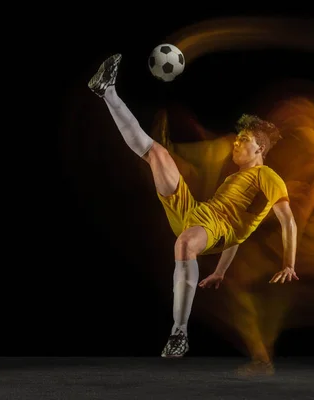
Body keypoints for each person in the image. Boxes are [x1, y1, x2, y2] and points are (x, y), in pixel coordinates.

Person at [87, 54, 298, 361]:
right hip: (195, 213)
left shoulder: (268, 177)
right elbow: (239, 234)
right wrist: (221, 272)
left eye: (243, 139)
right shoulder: (237, 178)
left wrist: (289, 263)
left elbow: (286, 221)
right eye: (237, 139)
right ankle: (107, 92)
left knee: (184, 243)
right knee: (156, 153)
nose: (236, 143)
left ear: (260, 148)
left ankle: (179, 333)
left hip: (212, 227)